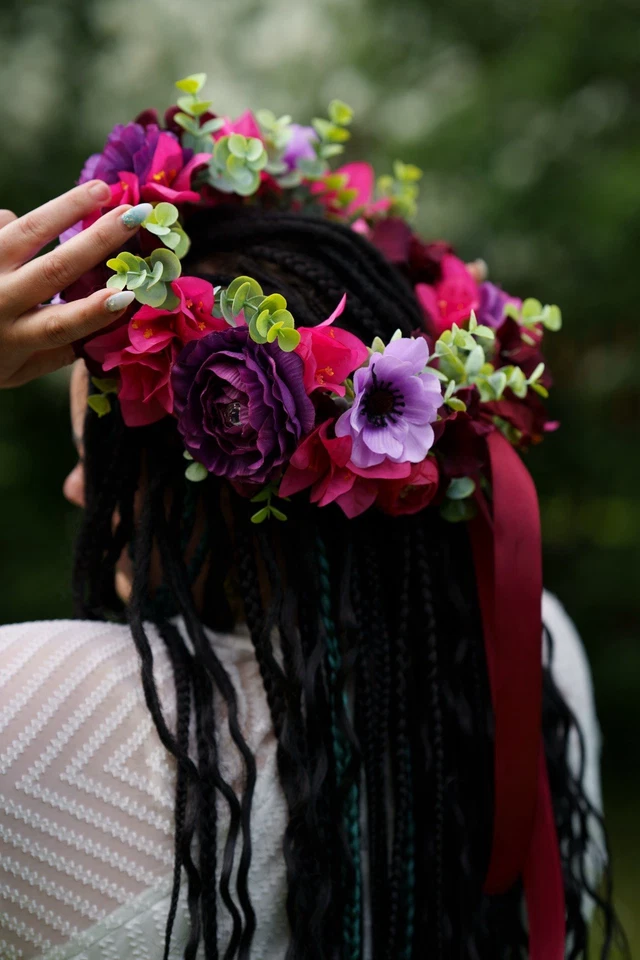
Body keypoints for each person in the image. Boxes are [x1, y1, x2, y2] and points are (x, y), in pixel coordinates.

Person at [0, 81, 623, 960]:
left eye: (99, 470)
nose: (76, 492)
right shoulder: (527, 645)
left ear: (223, 473)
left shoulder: (37, 717)